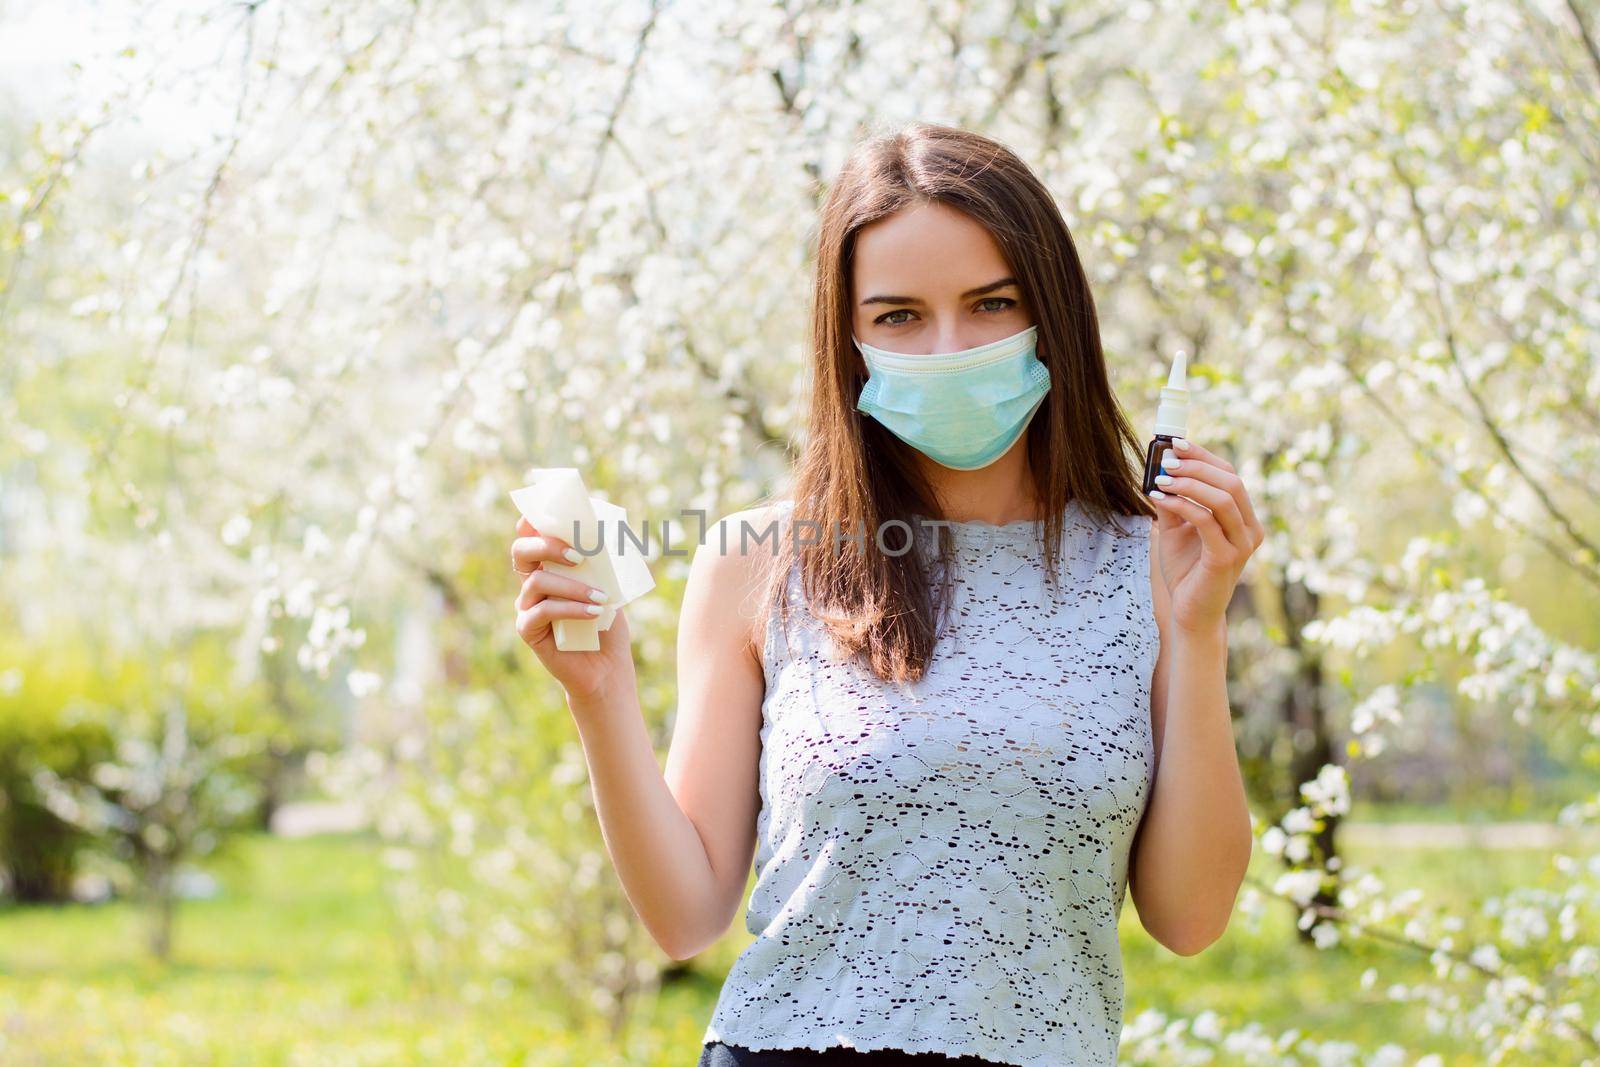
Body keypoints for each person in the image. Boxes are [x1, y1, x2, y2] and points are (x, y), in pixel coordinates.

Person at [510, 121, 1262, 1067]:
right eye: (900, 316)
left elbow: (1190, 918)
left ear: (1055, 315)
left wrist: (1196, 634)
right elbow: (685, 914)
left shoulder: (1152, 562)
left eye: (991, 303)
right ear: (849, 337)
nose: (950, 347)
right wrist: (601, 695)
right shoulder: (760, 556)